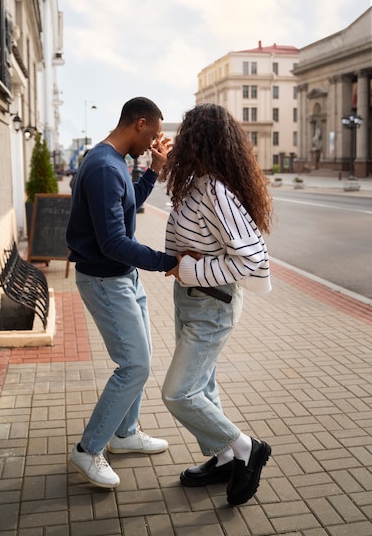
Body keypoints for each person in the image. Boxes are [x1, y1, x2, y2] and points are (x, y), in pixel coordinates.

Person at [161, 103, 273, 506]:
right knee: (203, 384)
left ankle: (244, 448)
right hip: (190, 301)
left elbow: (252, 257)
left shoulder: (217, 191)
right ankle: (224, 457)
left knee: (179, 393)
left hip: (212, 305)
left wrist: (190, 270)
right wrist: (162, 165)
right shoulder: (197, 181)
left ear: (197, 138)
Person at [66, 97, 178, 489]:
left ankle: (125, 434)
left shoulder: (112, 163)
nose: (154, 142)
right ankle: (87, 449)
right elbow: (113, 241)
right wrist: (167, 261)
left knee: (141, 358)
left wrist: (154, 171)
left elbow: (128, 208)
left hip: (122, 276)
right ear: (140, 122)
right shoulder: (102, 168)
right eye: (153, 134)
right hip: (105, 278)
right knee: (134, 365)